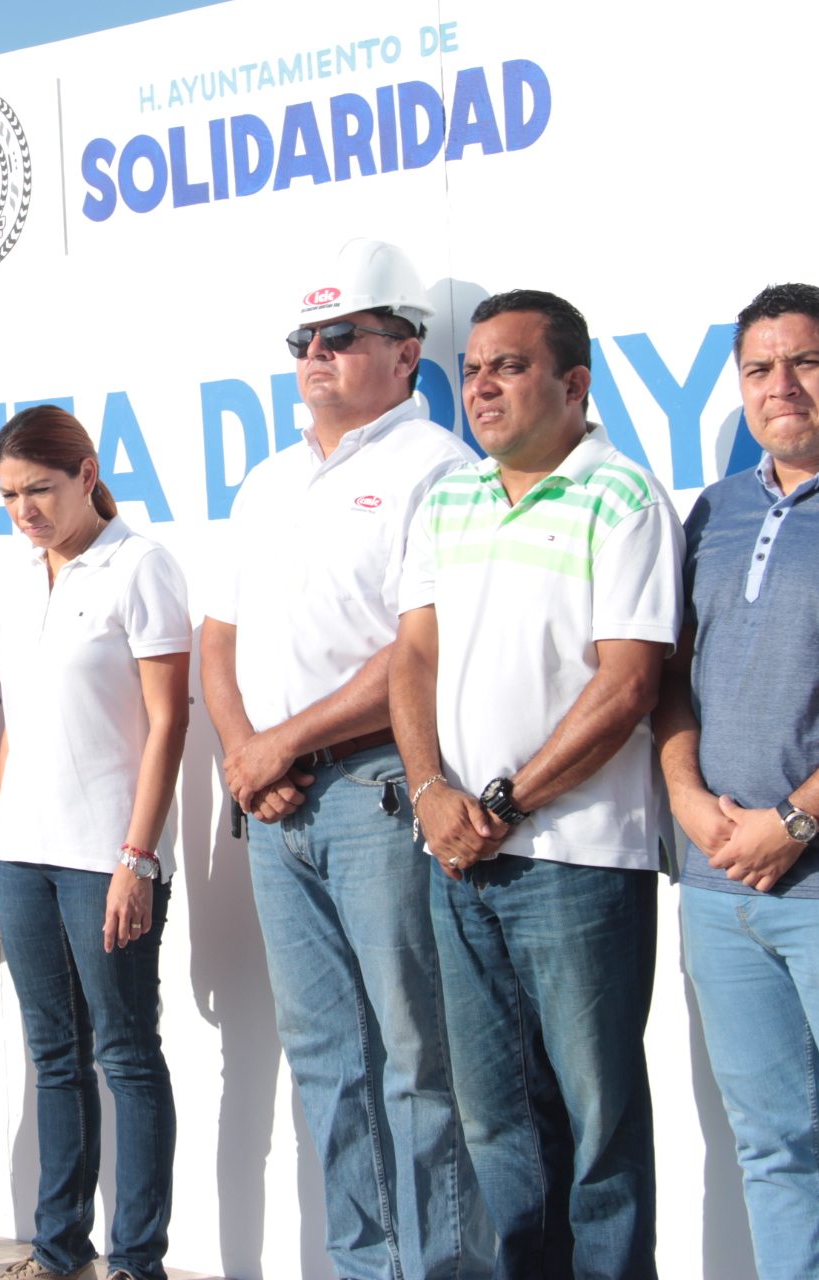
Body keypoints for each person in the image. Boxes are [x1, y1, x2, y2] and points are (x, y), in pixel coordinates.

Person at [198, 238, 486, 1279]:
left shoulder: (437, 466)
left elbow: (417, 651)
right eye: (303, 339)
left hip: (377, 793)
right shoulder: (268, 479)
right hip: (274, 807)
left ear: (406, 352)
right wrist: (246, 752)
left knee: (416, 1058)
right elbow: (217, 638)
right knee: (326, 1061)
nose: (316, 354)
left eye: (342, 335)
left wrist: (281, 742)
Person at [391, 289, 681, 1278]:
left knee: (599, 1130)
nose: (482, 386)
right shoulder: (450, 498)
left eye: (508, 366)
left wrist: (503, 804)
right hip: (458, 859)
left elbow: (629, 683)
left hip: (578, 862)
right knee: (496, 1125)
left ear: (573, 383)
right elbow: (412, 658)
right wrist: (430, 792)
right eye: (472, 368)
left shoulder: (624, 498)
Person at [655, 282, 819, 1279]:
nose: (780, 385)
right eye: (758, 368)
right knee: (773, 1149)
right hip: (718, 887)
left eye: (806, 361)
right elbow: (674, 678)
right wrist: (688, 801)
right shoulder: (718, 508)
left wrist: (795, 819)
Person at [0, 406, 188, 1280]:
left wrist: (139, 857)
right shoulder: (22, 580)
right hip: (25, 855)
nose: (24, 510)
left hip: (108, 855)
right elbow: (19, 729)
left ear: (87, 474)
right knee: (54, 1058)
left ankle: (137, 1260)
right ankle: (58, 1250)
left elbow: (169, 722)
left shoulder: (141, 565)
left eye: (40, 489)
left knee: (127, 1056)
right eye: (9, 495)